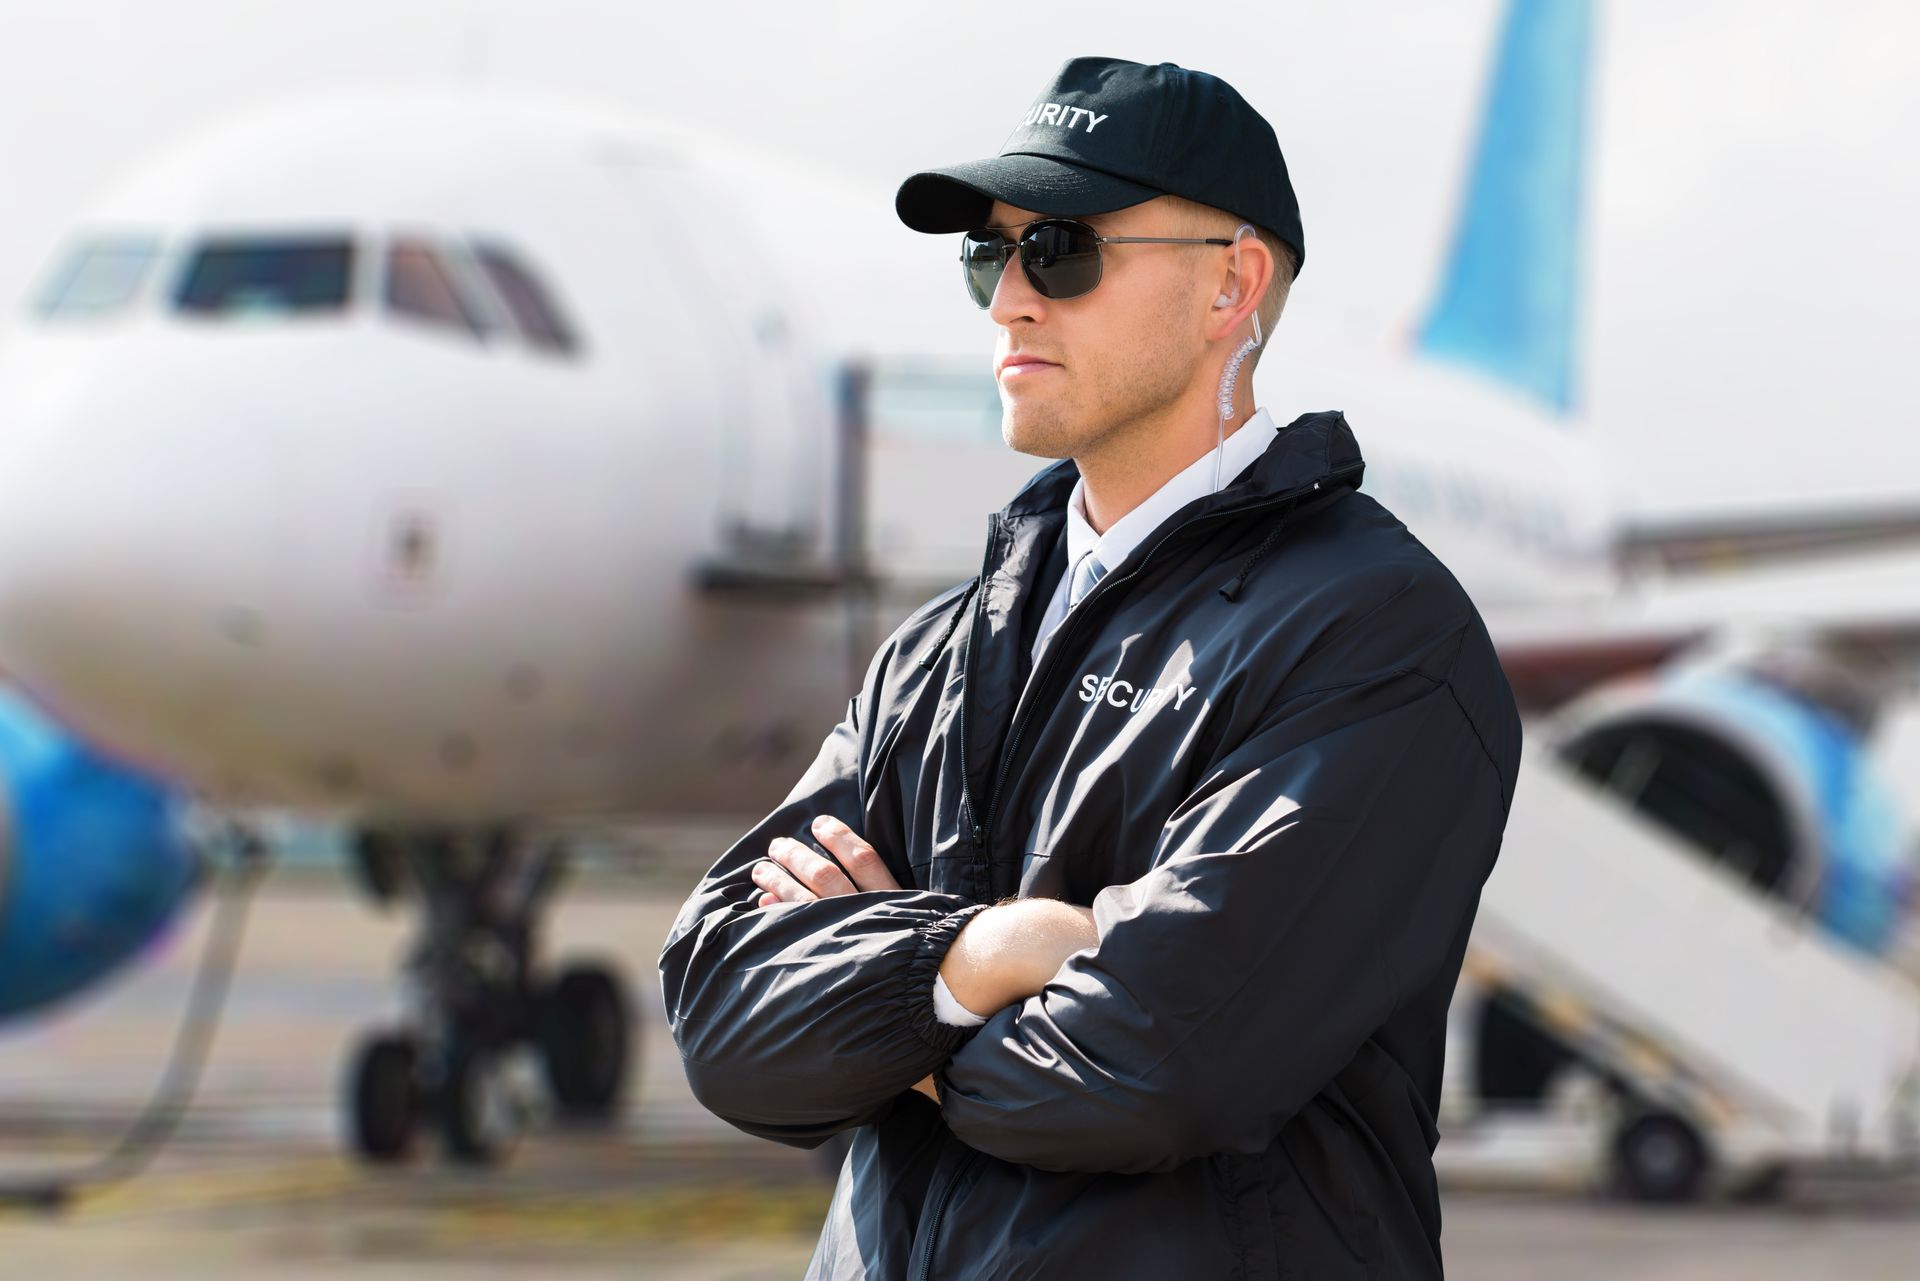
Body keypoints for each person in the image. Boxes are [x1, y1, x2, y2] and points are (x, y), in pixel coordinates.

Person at [659, 55, 1522, 1280]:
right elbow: (723, 1024)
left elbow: (1144, 1077)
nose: (1011, 298)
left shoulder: (1373, 635)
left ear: (1234, 283)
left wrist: (874, 1007)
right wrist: (988, 961)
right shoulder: (938, 652)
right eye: (987, 257)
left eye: (1061, 250)